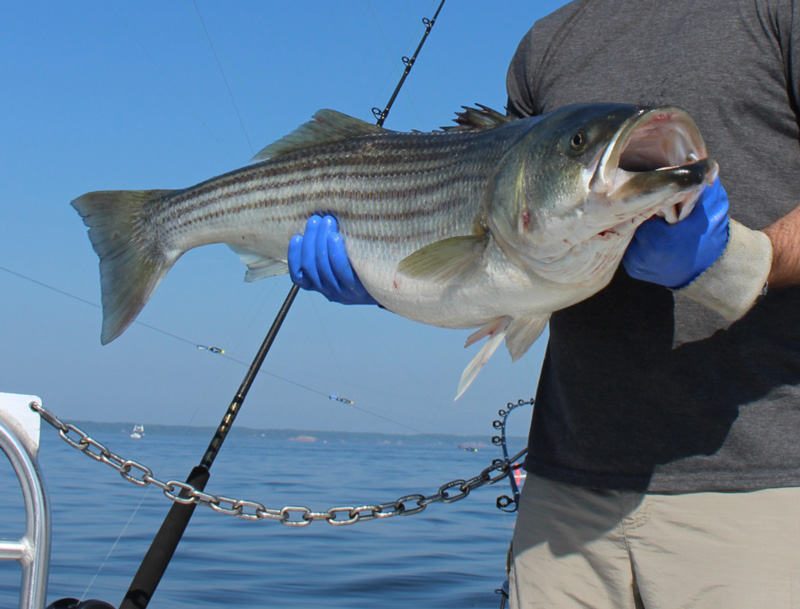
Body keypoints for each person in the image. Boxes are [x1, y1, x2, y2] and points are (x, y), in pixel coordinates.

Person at [288, 1, 800, 606]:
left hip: (760, 483)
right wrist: (388, 271)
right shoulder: (547, 41)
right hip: (564, 491)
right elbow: (514, 235)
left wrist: (749, 258)